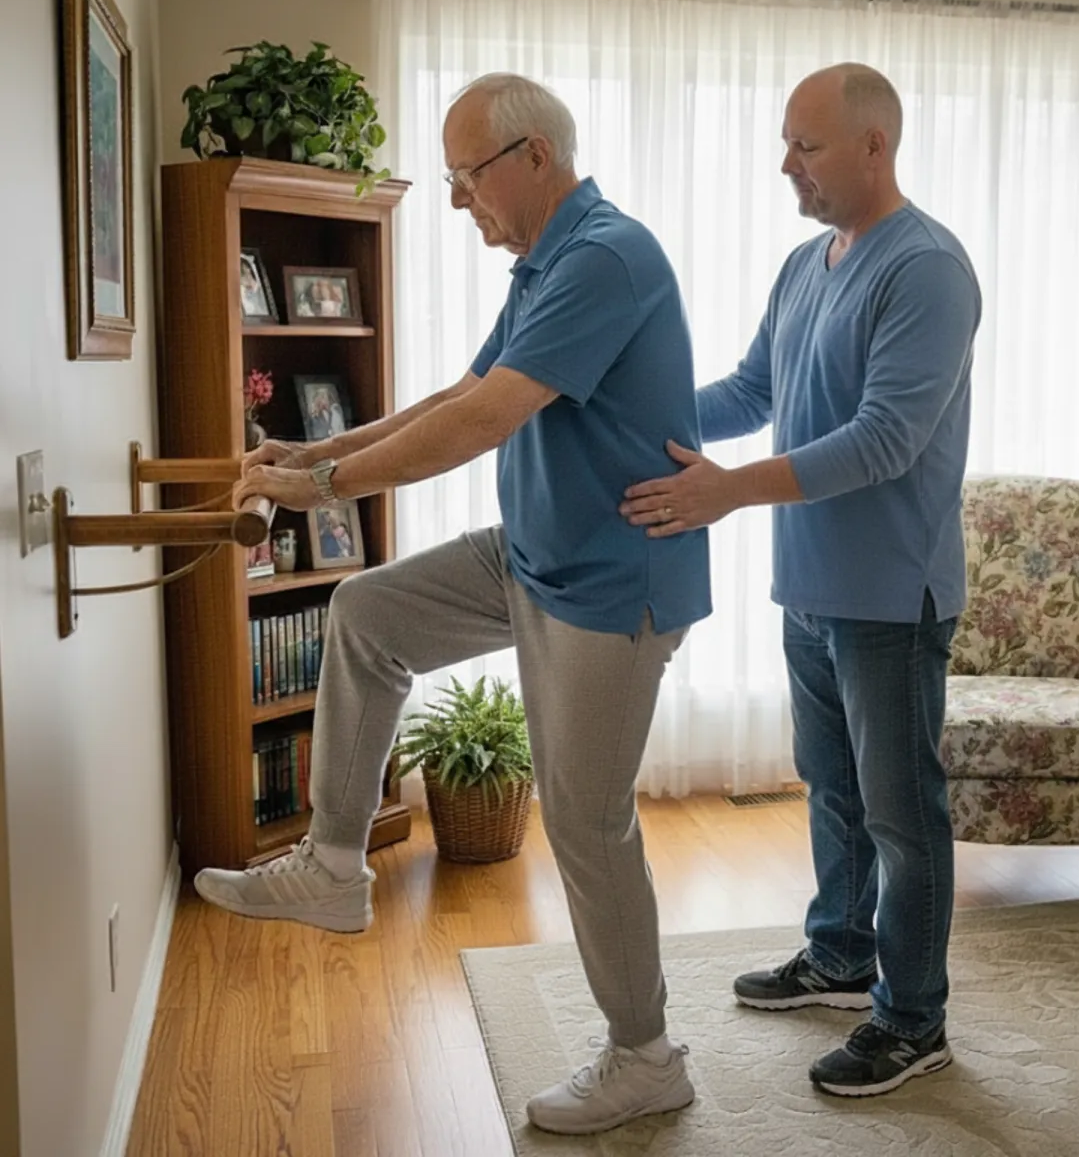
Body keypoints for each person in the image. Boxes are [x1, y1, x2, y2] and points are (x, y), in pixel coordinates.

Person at [194, 72, 711, 1135]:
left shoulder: (606, 256)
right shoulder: (545, 261)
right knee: (371, 611)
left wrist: (320, 489)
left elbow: (486, 420)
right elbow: (456, 395)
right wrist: (315, 447)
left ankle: (646, 1054)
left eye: (466, 177)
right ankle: (335, 866)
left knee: (584, 818)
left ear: (533, 159)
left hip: (615, 583)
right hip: (534, 555)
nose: (458, 199)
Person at [622, 63, 981, 1098]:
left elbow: (884, 440)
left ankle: (914, 1022)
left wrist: (727, 493)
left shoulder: (928, 270)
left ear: (876, 146)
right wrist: (626, 417)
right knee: (830, 791)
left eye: (806, 145)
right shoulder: (804, 264)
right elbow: (751, 390)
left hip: (890, 598)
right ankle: (839, 956)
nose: (786, 164)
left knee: (903, 817)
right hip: (811, 586)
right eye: (786, 143)